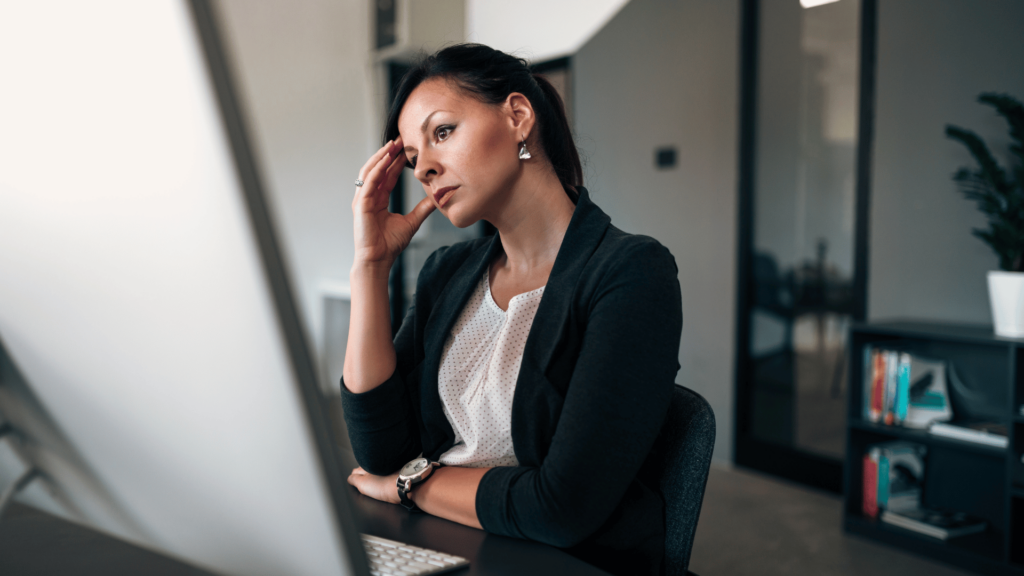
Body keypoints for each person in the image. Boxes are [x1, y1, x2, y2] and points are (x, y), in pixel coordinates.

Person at [341, 43, 683, 576]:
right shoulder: (446, 273)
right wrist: (370, 266)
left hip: (559, 562)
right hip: (446, 544)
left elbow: (561, 508)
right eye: (412, 159)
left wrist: (412, 485)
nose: (425, 167)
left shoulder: (631, 272)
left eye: (443, 132)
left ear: (518, 116)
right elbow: (383, 453)